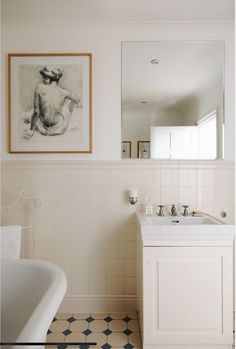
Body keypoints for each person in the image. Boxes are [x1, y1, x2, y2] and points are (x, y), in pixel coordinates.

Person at [24, 66, 79, 139]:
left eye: (44, 77)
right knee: (68, 106)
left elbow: (36, 111)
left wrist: (31, 130)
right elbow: (77, 99)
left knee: (34, 112)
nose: (43, 79)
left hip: (41, 128)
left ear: (47, 79)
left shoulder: (39, 87)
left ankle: (27, 119)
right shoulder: (63, 92)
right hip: (59, 129)